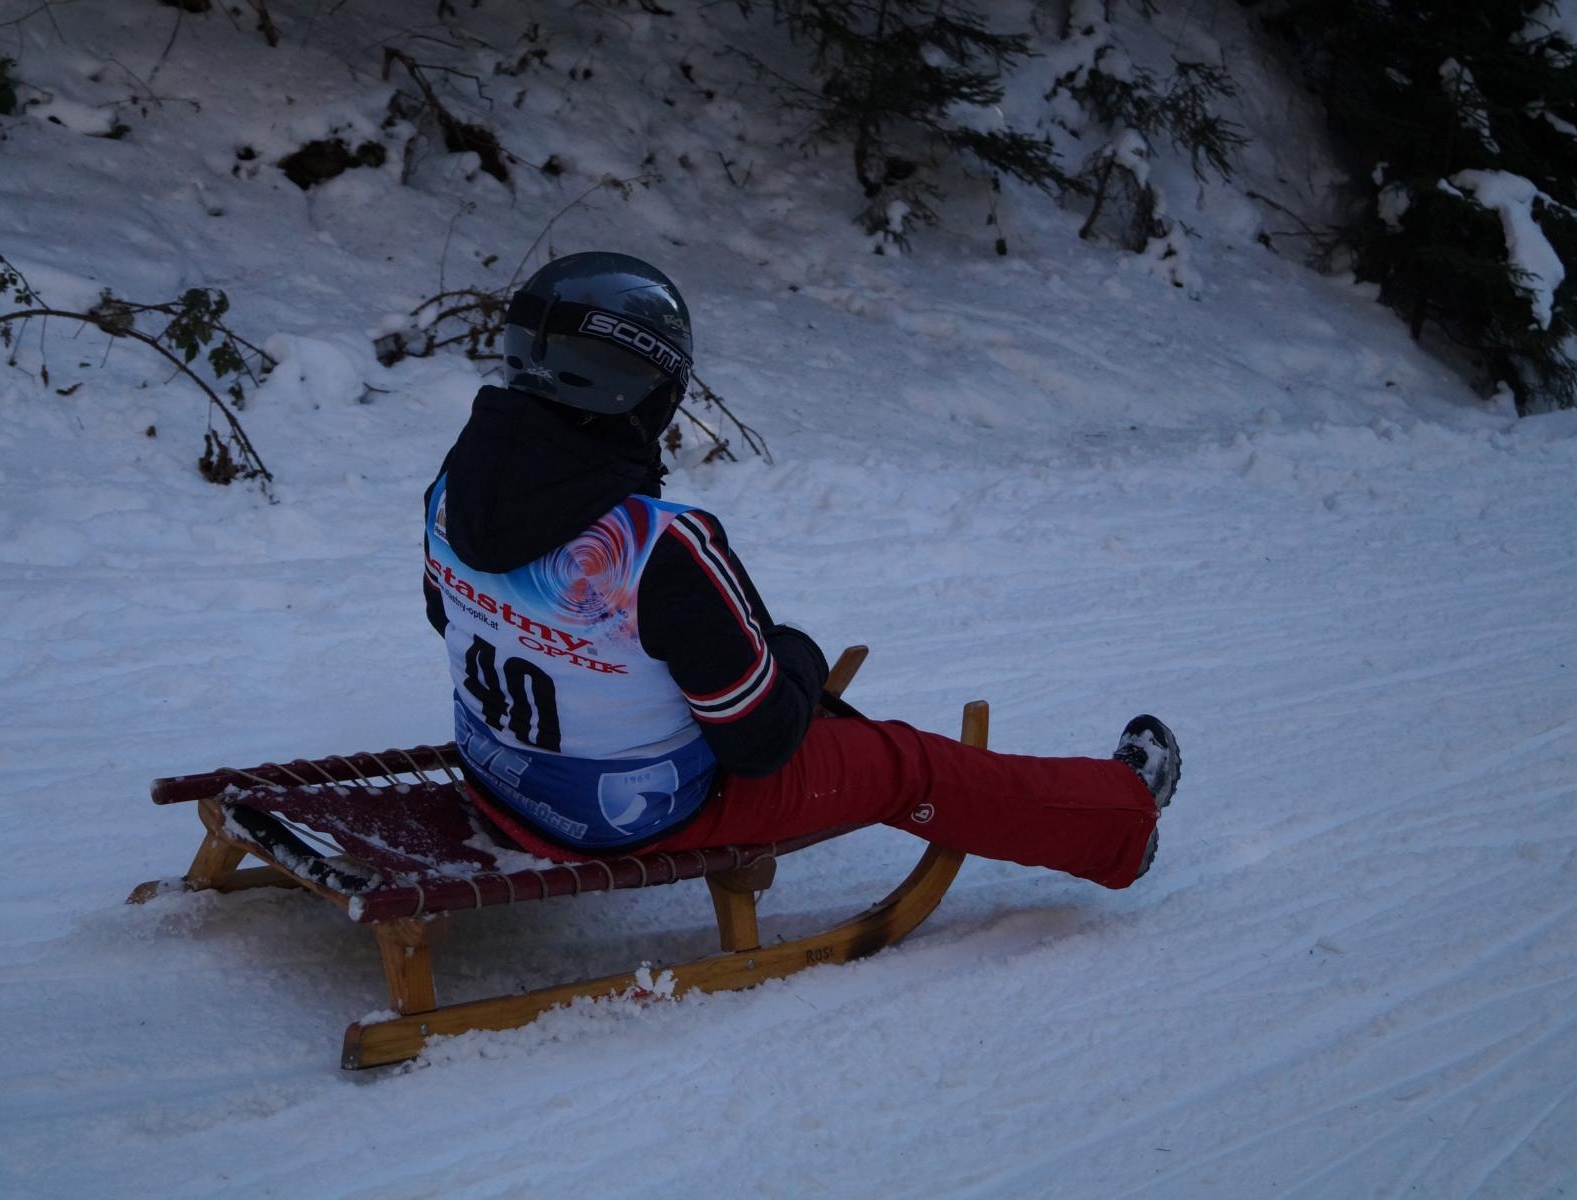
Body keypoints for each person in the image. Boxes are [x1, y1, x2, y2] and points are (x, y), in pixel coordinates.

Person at [423, 251, 1179, 888]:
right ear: (648, 395)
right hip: (623, 818)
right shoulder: (663, 548)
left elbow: (445, 615)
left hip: (498, 779)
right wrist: (798, 657)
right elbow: (759, 744)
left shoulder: (453, 491)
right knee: (903, 763)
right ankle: (1119, 821)